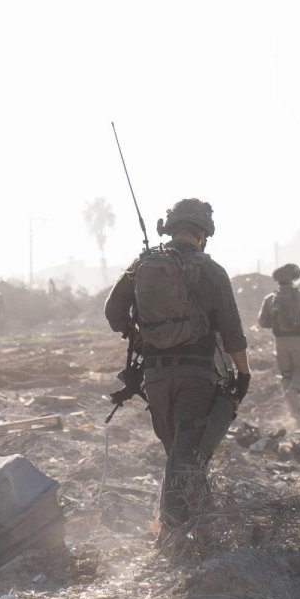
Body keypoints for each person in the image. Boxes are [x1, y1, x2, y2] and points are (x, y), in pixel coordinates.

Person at [104, 198, 250, 547]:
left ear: (168, 228)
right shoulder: (210, 270)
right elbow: (232, 331)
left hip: (155, 376)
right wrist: (243, 374)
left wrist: (143, 337)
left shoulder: (142, 265)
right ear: (204, 232)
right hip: (198, 376)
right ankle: (174, 540)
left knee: (180, 455)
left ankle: (198, 528)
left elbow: (112, 312)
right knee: (189, 457)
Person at [257, 263, 300, 419]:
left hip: (279, 341)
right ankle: (293, 392)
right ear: (293, 279)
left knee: (286, 374)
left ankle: (295, 411)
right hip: (297, 339)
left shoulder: (270, 299)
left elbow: (262, 322)